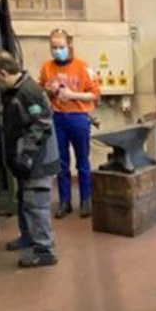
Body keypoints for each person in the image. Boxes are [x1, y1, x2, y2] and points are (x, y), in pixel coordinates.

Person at [0, 50, 60, 268]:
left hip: (38, 160)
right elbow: (10, 112)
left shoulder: (30, 92)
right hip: (24, 160)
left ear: (3, 73)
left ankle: (44, 250)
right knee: (25, 201)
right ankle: (28, 237)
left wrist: (26, 155)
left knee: (36, 203)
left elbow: (41, 126)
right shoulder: (14, 92)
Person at [39, 29, 101, 218]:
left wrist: (72, 95)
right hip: (57, 118)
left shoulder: (82, 67)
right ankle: (64, 201)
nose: (57, 51)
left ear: (69, 46)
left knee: (83, 161)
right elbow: (40, 92)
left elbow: (95, 94)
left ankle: (86, 200)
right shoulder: (46, 68)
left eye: (61, 47)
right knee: (61, 163)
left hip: (78, 118)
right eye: (54, 47)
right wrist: (49, 91)